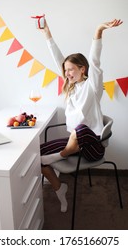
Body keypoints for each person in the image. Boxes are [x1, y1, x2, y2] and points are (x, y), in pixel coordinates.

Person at [39, 18, 123, 212]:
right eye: (66, 70)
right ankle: (60, 189)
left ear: (82, 69)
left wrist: (99, 29)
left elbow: (95, 59)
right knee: (37, 155)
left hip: (93, 147)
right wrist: (47, 34)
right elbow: (57, 58)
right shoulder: (71, 86)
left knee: (80, 129)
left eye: (71, 69)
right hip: (75, 144)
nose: (67, 73)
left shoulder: (92, 86)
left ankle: (59, 155)